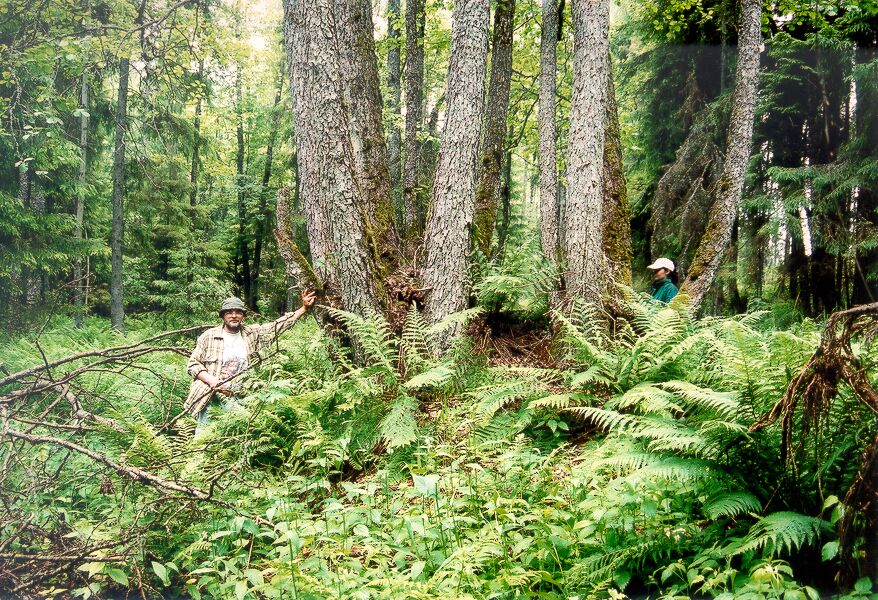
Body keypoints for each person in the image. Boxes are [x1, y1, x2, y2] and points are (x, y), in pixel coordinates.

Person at [184, 289, 317, 426]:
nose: (234, 316)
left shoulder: (251, 334)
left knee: (239, 435)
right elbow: (193, 364)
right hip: (211, 397)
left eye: (238, 312)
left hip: (241, 397)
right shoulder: (209, 336)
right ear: (223, 315)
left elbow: (277, 326)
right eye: (229, 312)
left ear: (243, 315)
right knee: (206, 436)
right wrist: (213, 381)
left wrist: (303, 308)